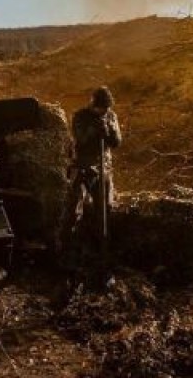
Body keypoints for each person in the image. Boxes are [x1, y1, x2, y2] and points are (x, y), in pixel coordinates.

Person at [56, 86, 123, 296]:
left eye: (105, 109)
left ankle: (100, 252)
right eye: (99, 109)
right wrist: (94, 130)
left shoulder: (111, 116)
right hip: (82, 167)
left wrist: (109, 131)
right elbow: (80, 141)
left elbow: (117, 142)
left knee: (105, 208)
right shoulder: (80, 117)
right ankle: (65, 253)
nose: (102, 112)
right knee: (73, 210)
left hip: (103, 169)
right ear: (92, 104)